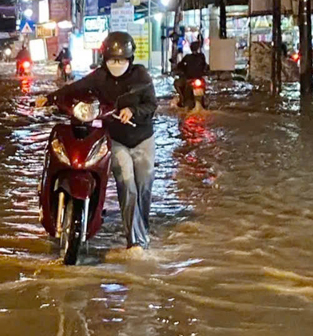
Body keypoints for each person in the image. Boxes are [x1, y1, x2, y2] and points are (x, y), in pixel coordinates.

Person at [36, 32, 157, 250]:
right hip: (116, 139)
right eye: (112, 60)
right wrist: (51, 97)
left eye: (121, 60)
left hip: (143, 138)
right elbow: (75, 88)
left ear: (130, 60)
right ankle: (135, 241)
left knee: (144, 185)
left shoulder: (141, 76)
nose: (117, 65)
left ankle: (143, 228)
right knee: (127, 183)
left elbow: (151, 105)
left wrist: (133, 110)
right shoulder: (99, 77)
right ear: (105, 60)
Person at [174, 40, 208, 107]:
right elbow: (205, 66)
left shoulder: (187, 57)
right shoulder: (202, 56)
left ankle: (182, 99)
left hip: (189, 79)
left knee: (176, 84)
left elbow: (180, 66)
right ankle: (204, 100)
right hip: (199, 79)